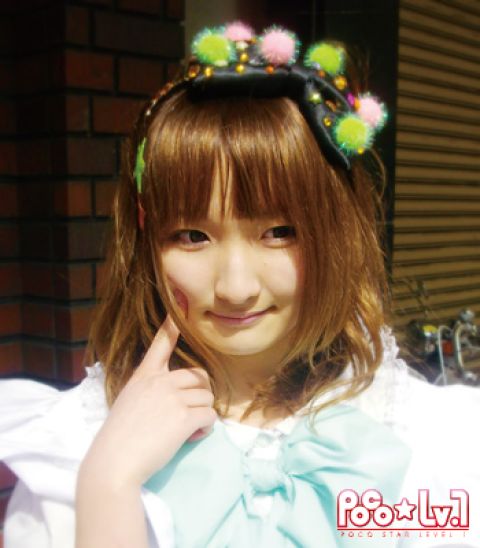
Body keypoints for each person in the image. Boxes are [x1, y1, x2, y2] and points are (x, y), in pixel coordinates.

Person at [0, 21, 479, 548]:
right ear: (146, 239)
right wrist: (107, 488)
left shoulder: (432, 441)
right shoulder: (75, 453)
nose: (235, 286)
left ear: (339, 232)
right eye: (192, 236)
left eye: (279, 232)